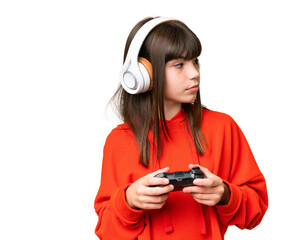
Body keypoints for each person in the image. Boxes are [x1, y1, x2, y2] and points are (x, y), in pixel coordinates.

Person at [94, 17, 268, 240]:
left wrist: (225, 194)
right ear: (143, 74)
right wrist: (128, 201)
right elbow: (107, 232)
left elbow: (256, 211)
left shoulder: (223, 128)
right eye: (179, 65)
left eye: (195, 62)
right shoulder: (119, 141)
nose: (194, 73)